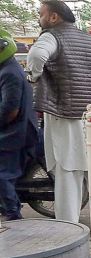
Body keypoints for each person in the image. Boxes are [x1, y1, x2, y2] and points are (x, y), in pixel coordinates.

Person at [26, 0, 91, 222]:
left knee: (67, 173)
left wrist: (33, 76)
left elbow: (36, 56)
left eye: (41, 14)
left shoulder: (51, 36)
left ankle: (68, 229)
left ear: (54, 17)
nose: (39, 18)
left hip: (64, 115)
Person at [0, 28, 37, 221]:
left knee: (2, 175)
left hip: (14, 133)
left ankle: (13, 214)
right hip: (16, 130)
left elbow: (10, 110)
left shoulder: (9, 73)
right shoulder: (8, 69)